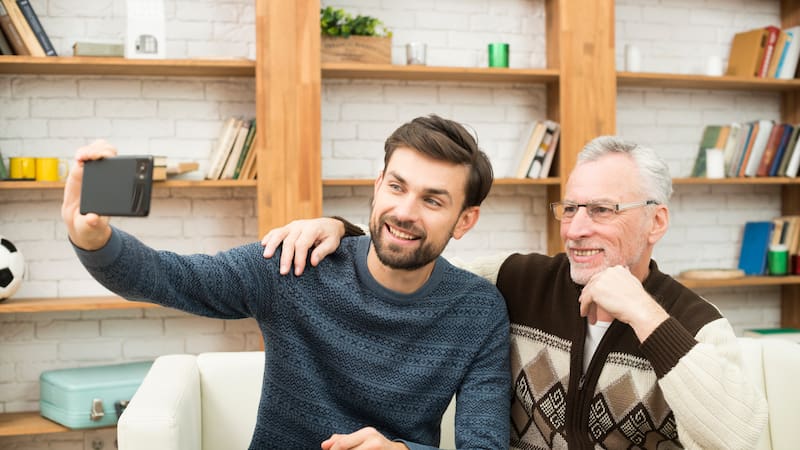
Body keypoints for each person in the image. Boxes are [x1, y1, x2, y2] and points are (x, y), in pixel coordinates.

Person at [261, 136, 769, 449]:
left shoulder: (696, 322)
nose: (576, 229)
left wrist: (643, 312)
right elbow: (419, 259)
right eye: (570, 210)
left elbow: (741, 439)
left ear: (656, 220)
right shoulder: (519, 281)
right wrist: (340, 229)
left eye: (602, 210)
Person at [61, 115, 511, 450]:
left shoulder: (478, 310)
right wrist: (94, 238)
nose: (406, 211)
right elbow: (172, 278)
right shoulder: (299, 263)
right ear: (377, 187)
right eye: (397, 187)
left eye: (432, 200)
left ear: (464, 220)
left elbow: (485, 446)